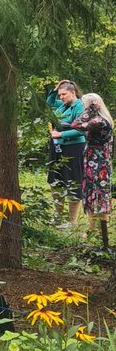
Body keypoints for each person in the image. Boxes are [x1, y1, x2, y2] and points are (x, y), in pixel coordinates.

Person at [66, 93, 113, 247]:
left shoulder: (98, 121)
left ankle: (99, 233)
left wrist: (92, 110)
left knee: (98, 195)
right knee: (92, 195)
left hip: (97, 164)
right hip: (95, 161)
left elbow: (76, 124)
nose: (84, 109)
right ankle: (93, 229)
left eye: (86, 105)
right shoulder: (102, 120)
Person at [47, 79, 86, 228]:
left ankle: (72, 221)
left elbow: (81, 130)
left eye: (64, 94)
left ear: (73, 92)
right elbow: (48, 103)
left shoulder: (79, 107)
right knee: (55, 179)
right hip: (57, 147)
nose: (61, 97)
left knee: (73, 180)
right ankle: (58, 216)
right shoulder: (62, 105)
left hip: (73, 147)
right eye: (60, 94)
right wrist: (55, 88)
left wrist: (61, 135)